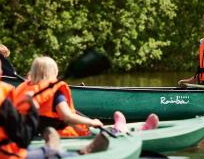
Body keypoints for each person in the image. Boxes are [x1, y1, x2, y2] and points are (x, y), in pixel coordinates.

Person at [0, 52, 109, 159]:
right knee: (50, 153)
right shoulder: (1, 99)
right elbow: (22, 140)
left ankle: (51, 143)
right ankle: (81, 152)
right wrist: (33, 110)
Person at [13, 56, 159, 138]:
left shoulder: (22, 89)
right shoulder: (55, 92)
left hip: (32, 135)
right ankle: (129, 131)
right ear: (54, 72)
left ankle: (119, 128)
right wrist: (92, 121)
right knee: (95, 130)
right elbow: (67, 117)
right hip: (60, 135)